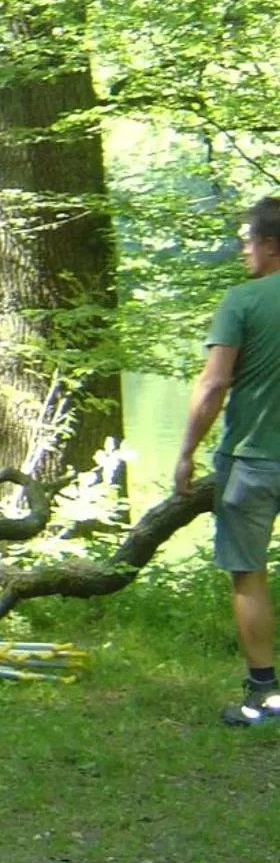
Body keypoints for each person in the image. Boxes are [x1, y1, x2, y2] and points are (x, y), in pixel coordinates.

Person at [174, 196, 280, 727]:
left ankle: (264, 695)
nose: (242, 251)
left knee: (248, 574)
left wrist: (186, 452)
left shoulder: (242, 301)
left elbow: (214, 383)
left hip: (252, 462)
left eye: (247, 241)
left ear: (271, 245)